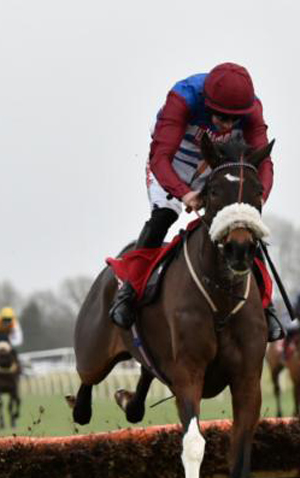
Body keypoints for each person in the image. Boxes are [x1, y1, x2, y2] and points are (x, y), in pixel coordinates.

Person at [109, 62, 283, 340]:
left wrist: (258, 196)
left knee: (243, 225)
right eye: (221, 116)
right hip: (175, 161)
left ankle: (266, 305)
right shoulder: (182, 98)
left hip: (218, 164)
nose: (226, 124)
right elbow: (159, 158)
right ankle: (129, 291)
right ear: (206, 102)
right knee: (163, 217)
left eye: (233, 119)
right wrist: (184, 192)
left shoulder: (252, 109)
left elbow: (263, 161)